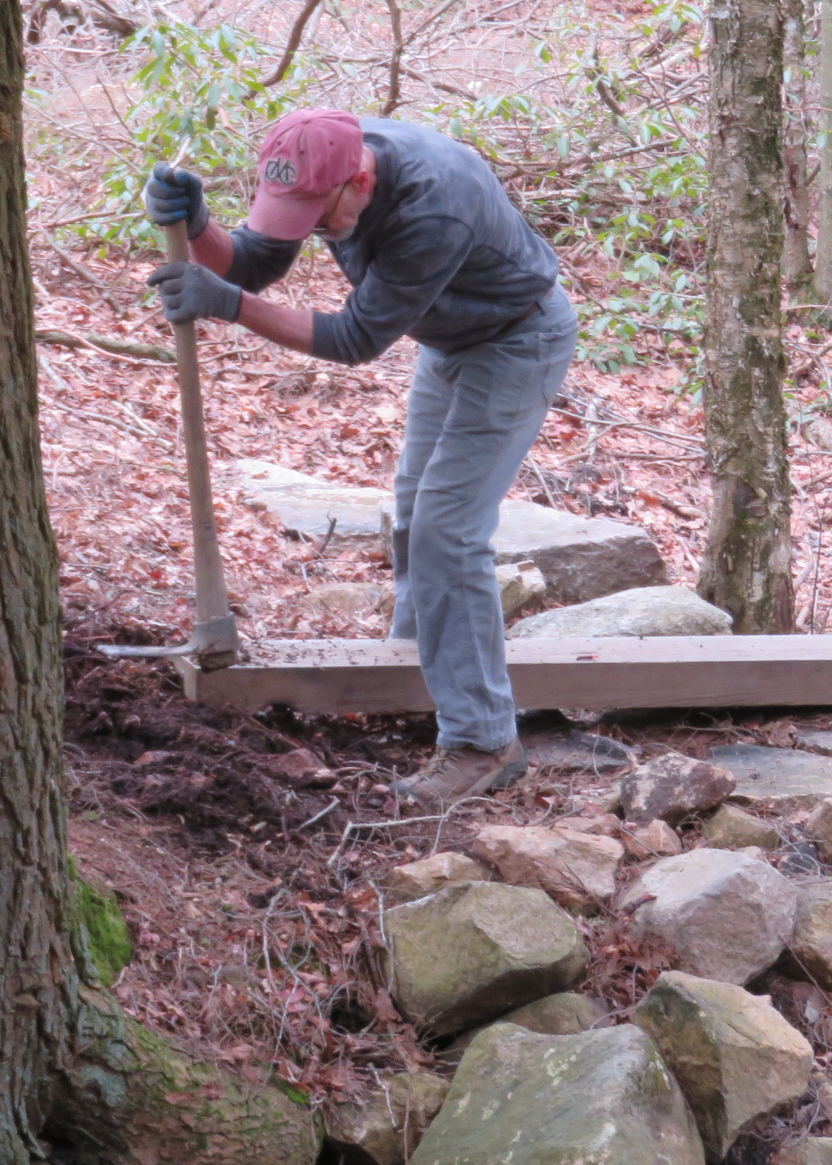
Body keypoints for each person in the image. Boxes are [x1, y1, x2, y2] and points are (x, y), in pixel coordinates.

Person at [143, 106, 576, 806]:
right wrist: (199, 228)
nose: (312, 227)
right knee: (413, 516)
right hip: (449, 339)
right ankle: (418, 682)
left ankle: (482, 742)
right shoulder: (317, 163)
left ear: (361, 182)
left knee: (447, 531)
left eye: (319, 215)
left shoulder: (434, 205)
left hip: (517, 341)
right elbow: (254, 263)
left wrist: (227, 305)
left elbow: (353, 339)